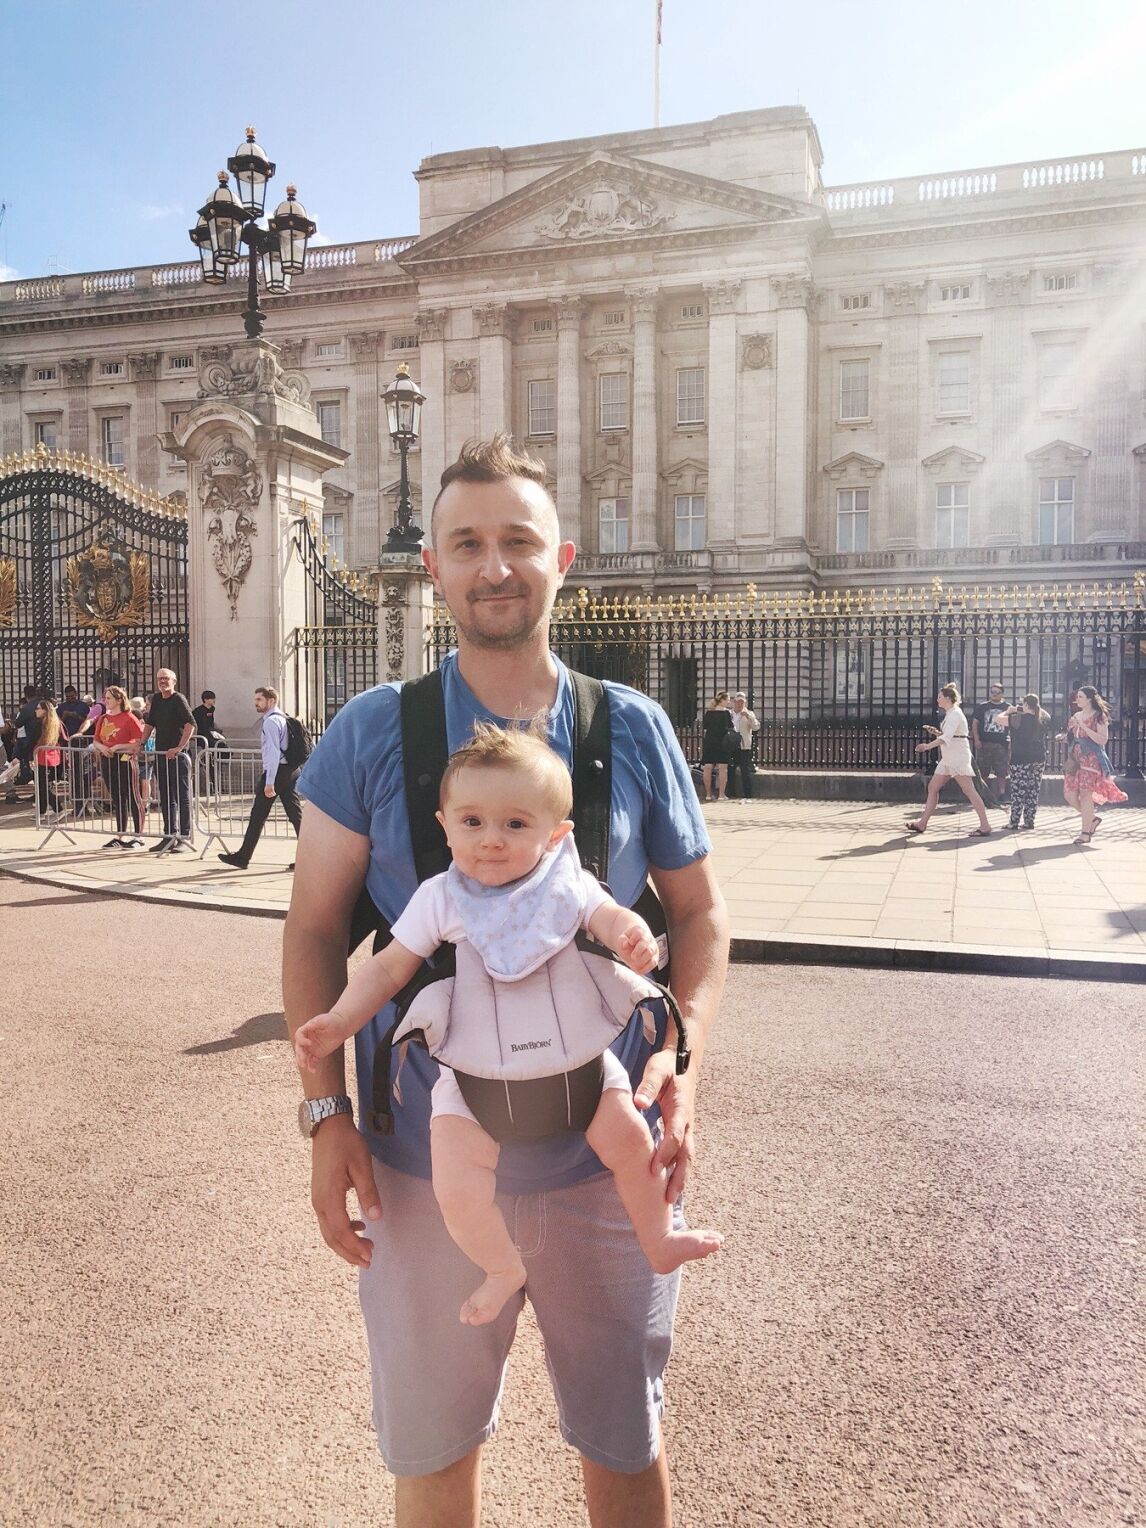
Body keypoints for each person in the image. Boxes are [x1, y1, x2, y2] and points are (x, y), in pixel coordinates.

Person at [285, 434, 728, 1525]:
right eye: (469, 543)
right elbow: (313, 933)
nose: (495, 566)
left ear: (561, 558)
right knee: (433, 1455)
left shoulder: (634, 725)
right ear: (431, 565)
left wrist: (688, 1056)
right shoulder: (369, 730)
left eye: (518, 542)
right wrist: (324, 1109)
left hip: (602, 1160)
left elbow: (702, 914)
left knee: (625, 1445)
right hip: (423, 1166)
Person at [294, 721, 722, 1327]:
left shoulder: (564, 885)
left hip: (580, 1069)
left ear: (556, 836)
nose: (491, 841)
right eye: (472, 822)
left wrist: (629, 935)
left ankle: (657, 1238)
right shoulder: (443, 897)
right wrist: (338, 1021)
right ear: (444, 826)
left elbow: (606, 915)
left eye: (515, 824)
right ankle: (501, 1266)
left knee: (632, 1144)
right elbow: (387, 970)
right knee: (457, 1185)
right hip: (475, 1077)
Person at [217, 686, 303, 870]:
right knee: (296, 816)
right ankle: (311, 859)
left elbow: (272, 753)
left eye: (259, 700)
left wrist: (269, 782)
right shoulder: (284, 718)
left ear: (271, 701)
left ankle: (242, 857)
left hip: (278, 772)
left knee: (257, 816)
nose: (255, 703)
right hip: (290, 770)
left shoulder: (271, 722)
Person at [907, 683, 992, 836]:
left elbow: (947, 738)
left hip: (957, 757)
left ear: (948, 698)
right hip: (949, 758)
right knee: (933, 788)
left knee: (969, 790)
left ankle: (985, 825)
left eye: (940, 697)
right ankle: (922, 823)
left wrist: (927, 746)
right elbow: (949, 735)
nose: (937, 700)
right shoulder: (951, 714)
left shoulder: (955, 714)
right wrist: (937, 733)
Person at [1059, 684, 1128, 845]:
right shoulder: (1076, 715)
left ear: (1090, 699)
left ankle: (1085, 833)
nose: (1077, 699)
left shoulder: (1099, 716)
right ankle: (1092, 819)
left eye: (1081, 697)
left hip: (1091, 758)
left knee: (1085, 795)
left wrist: (1084, 727)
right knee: (1069, 794)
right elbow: (1072, 736)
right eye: (1077, 696)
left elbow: (1102, 740)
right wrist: (1064, 737)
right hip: (1075, 759)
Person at [139, 669, 195, 853]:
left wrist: (179, 747)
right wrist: (141, 743)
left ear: (174, 681)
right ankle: (169, 835)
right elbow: (150, 723)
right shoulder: (156, 700)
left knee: (182, 797)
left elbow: (190, 724)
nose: (162, 682)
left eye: (166, 679)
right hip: (162, 754)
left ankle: (184, 837)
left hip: (178, 757)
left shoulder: (178, 699)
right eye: (159, 679)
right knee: (166, 797)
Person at [90, 685, 145, 849]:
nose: (106, 701)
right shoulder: (103, 718)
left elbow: (138, 741)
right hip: (108, 759)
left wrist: (117, 747)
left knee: (133, 796)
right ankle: (120, 834)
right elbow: (95, 740)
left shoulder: (129, 717)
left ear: (119, 700)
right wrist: (103, 748)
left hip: (125, 759)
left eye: (109, 698)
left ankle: (139, 835)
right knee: (117, 797)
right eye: (105, 698)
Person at [1005, 694, 1050, 831]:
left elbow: (998, 719)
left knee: (1018, 791)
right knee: (1033, 790)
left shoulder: (1018, 718)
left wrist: (1009, 711)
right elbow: (1046, 715)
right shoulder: (1042, 718)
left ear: (1025, 704)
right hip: (1038, 758)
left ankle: (1014, 822)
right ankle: (1029, 821)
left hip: (1020, 758)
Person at [972, 682, 1011, 802]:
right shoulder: (982, 707)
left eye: (997, 692)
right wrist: (977, 739)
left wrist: (1011, 741)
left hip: (1001, 744)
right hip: (985, 743)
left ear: (1002, 694)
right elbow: (975, 723)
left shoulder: (1008, 708)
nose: (994, 695)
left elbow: (1013, 725)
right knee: (983, 770)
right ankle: (983, 794)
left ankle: (1002, 794)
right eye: (992, 692)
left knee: (1002, 771)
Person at [31, 698, 67, 820]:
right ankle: (41, 812)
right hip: (48, 756)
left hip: (44, 757)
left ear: (45, 710)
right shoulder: (54, 722)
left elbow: (35, 740)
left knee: (44, 786)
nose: (35, 710)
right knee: (43, 785)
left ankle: (59, 809)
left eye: (38, 708)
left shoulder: (45, 723)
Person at [700, 691, 734, 803]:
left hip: (710, 741)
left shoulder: (709, 713)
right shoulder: (726, 713)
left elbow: (705, 727)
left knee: (708, 767)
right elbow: (730, 727)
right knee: (722, 768)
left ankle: (708, 794)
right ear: (722, 700)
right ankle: (721, 794)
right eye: (728, 699)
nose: (729, 701)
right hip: (722, 742)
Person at [726, 692, 760, 800]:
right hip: (731, 745)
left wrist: (749, 717)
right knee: (730, 769)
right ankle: (731, 792)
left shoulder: (749, 713)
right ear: (734, 702)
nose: (740, 704)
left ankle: (747, 794)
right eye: (738, 702)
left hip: (744, 746)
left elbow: (756, 727)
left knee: (745, 771)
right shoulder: (729, 714)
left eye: (742, 702)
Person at [192, 689, 227, 789]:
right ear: (205, 699)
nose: (214, 700)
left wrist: (216, 732)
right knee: (215, 748)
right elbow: (202, 726)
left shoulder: (211, 709)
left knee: (222, 745)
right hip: (203, 736)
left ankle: (220, 759)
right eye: (211, 698)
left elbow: (211, 724)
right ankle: (205, 759)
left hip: (210, 734)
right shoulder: (199, 711)